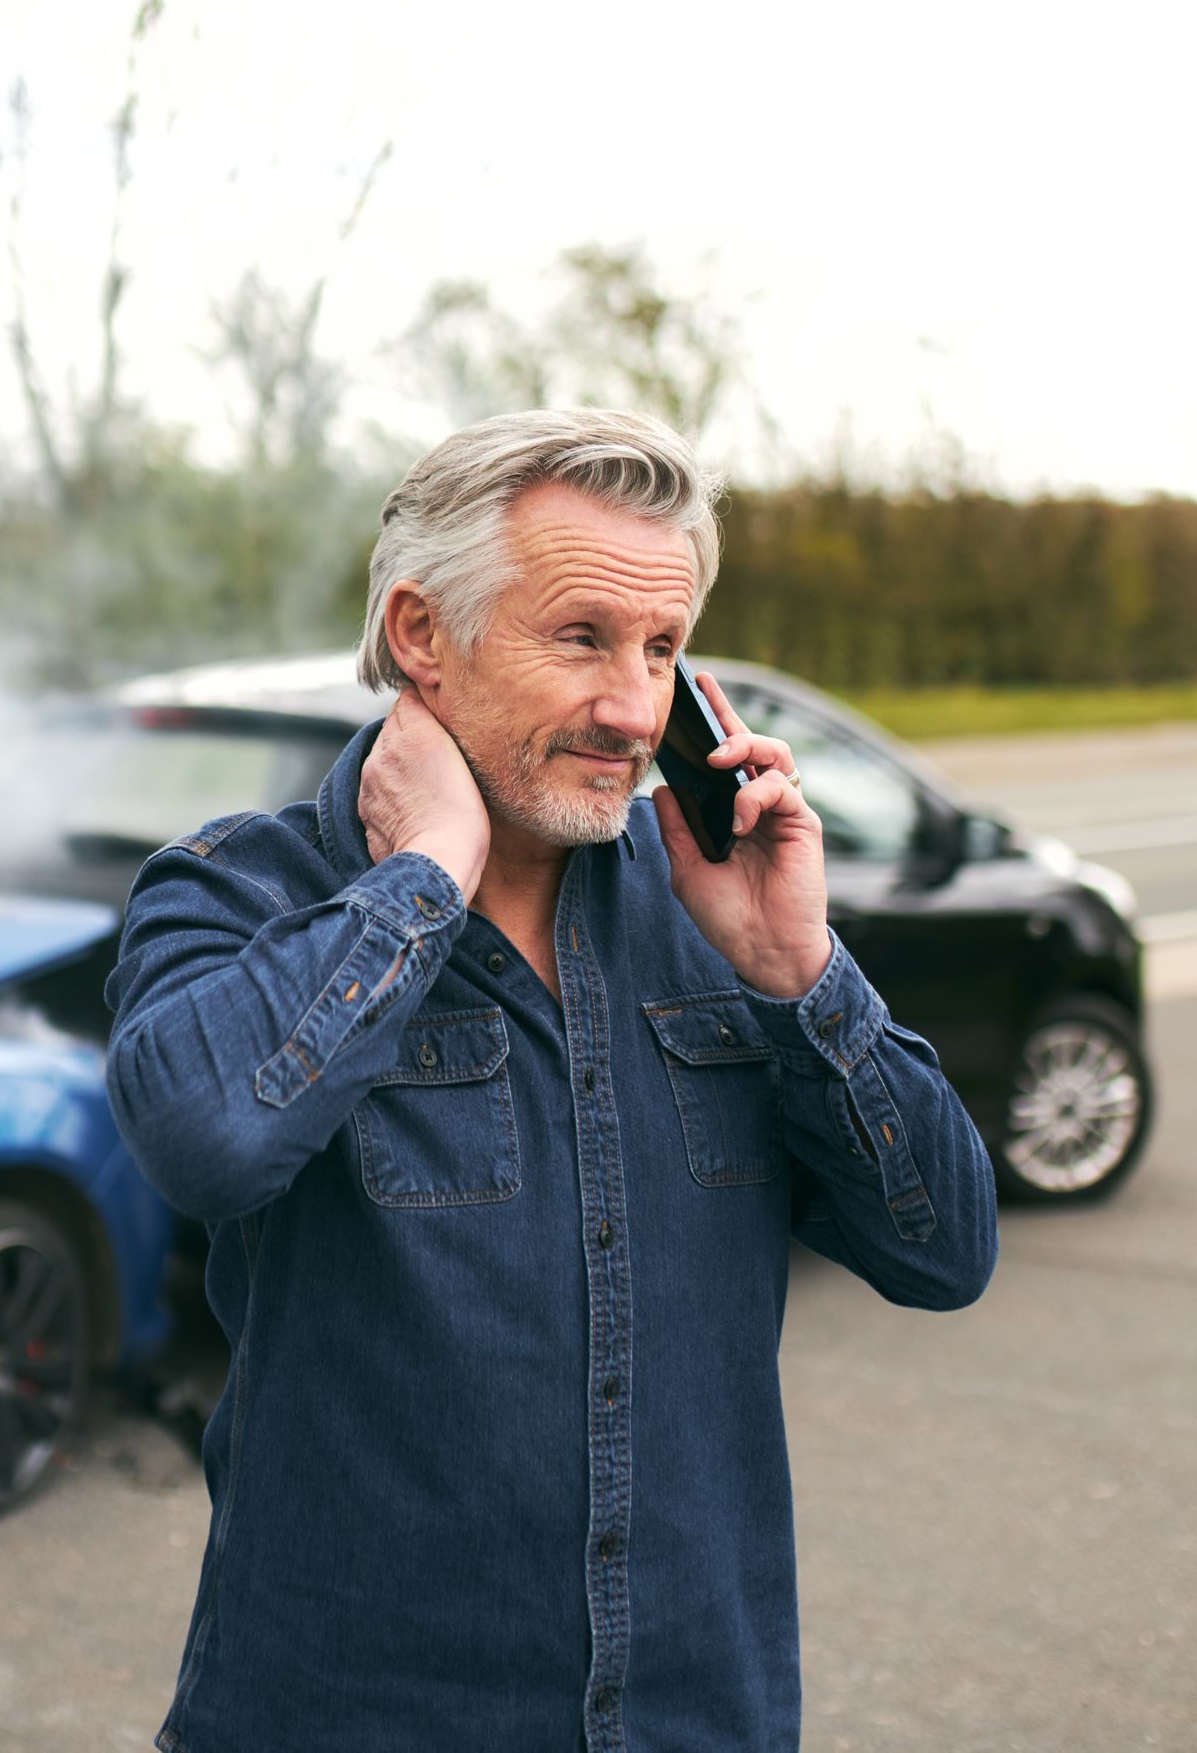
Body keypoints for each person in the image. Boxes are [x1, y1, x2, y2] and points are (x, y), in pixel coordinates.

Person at [105, 408, 997, 1753]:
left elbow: (948, 1250)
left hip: (695, 1718)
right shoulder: (240, 888)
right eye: (582, 637)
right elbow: (205, 1140)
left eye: (662, 649)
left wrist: (799, 968)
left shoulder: (714, 910)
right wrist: (420, 881)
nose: (636, 708)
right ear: (421, 636)